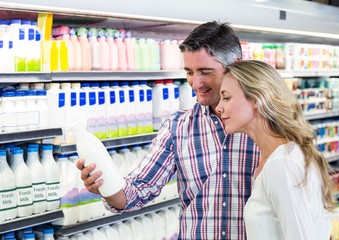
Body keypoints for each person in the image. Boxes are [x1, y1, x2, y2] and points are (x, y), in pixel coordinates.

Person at [77, 21, 260, 239]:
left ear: (235, 65)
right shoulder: (178, 128)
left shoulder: (267, 122)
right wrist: (106, 187)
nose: (196, 83)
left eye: (205, 71)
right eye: (190, 72)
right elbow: (138, 189)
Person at [215, 60, 337, 240]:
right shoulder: (276, 158)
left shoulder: (281, 163)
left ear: (256, 99)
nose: (218, 107)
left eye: (226, 97)